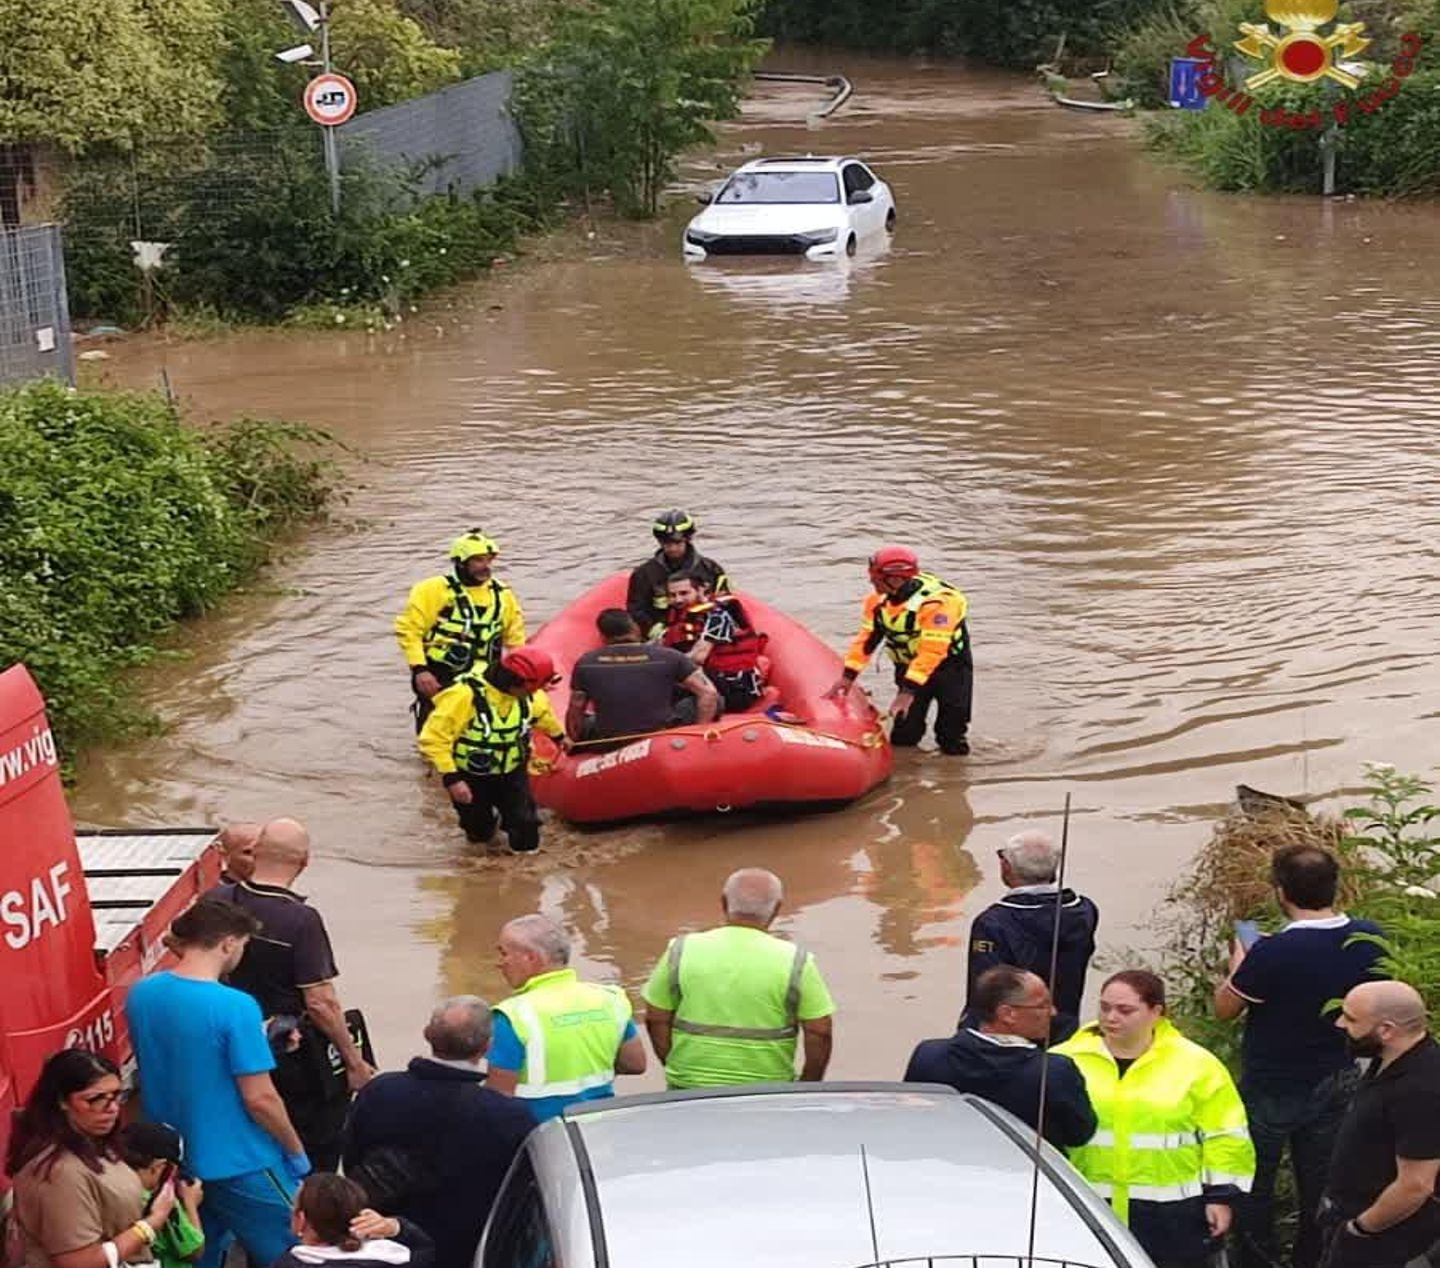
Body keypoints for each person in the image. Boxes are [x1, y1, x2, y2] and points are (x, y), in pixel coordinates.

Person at [1214, 845, 1386, 1268]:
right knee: (1323, 1180)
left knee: (1255, 1179)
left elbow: (1225, 1009)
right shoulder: (1367, 937)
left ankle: (1257, 1258)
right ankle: (1314, 1256)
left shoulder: (1272, 953)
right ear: (1336, 885)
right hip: (1338, 1073)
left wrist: (1241, 962)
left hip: (1272, 1081)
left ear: (1281, 891)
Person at [124, 898, 308, 1268]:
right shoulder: (235, 1006)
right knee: (305, 1250)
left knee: (197, 1255)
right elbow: (261, 1099)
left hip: (178, 1163)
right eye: (242, 945)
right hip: (242, 1159)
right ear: (227, 943)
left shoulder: (142, 994)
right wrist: (296, 1153)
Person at [1055, 970, 1255, 1268]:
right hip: (1086, 1207)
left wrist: (1221, 1197)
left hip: (1171, 1218)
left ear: (1156, 1012)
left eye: (1125, 1010)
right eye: (1105, 1007)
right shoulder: (1063, 1060)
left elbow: (1226, 1135)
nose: (1111, 1017)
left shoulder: (1196, 1065)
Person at [212, 818, 375, 1171]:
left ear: (255, 854)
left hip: (233, 1042)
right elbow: (321, 1002)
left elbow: (178, 944)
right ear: (304, 862)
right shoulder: (301, 920)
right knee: (319, 1142)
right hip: (295, 1055)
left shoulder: (219, 900)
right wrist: (354, 1062)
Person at [342, 997, 534, 1268]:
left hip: (382, 1239)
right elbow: (517, 1192)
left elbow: (352, 1159)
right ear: (487, 1047)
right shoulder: (509, 1116)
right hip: (466, 1247)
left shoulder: (379, 1091)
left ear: (427, 1034)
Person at [641, 869, 834, 1089]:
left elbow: (655, 1017)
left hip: (688, 1089)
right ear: (777, 909)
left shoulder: (681, 949)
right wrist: (807, 1085)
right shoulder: (797, 961)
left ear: (723, 903)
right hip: (768, 1090)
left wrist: (674, 1066)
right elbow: (820, 1031)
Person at [7, 1049, 183, 1268]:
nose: (111, 1109)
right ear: (62, 1101)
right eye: (95, 1099)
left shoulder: (95, 1141)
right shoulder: (60, 1174)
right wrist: (152, 1223)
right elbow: (80, 1262)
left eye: (116, 1096)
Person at [1318, 981, 1440, 1268]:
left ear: (1386, 1030)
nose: (1339, 1023)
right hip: (1350, 1215)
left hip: (1384, 1240)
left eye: (1350, 1018)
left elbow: (1415, 1184)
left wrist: (1359, 1229)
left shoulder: (1422, 1088)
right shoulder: (1386, 1060)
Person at [905, 966, 1096, 1149]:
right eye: (1043, 1005)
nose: (1053, 1012)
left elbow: (910, 1118)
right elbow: (1079, 1135)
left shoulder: (929, 1055)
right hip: (1023, 1177)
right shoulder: (1053, 1071)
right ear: (1008, 1014)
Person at [487, 914, 648, 1121]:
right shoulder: (610, 1000)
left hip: (539, 1137)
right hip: (599, 1129)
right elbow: (635, 1064)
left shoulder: (513, 1015)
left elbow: (498, 1099)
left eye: (504, 954)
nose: (499, 964)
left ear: (531, 957)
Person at [827, 545, 973, 755]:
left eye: (875, 578)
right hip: (908, 666)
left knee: (951, 733)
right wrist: (848, 676)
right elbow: (867, 640)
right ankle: (908, 773)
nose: (871, 582)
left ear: (894, 580)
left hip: (950, 668)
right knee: (905, 733)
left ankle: (954, 778)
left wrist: (906, 693)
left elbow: (933, 651)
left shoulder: (939, 604)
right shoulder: (877, 603)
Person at [417, 647, 567, 851]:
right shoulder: (464, 696)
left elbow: (542, 716)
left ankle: (526, 875)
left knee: (526, 826)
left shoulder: (532, 696)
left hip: (513, 771)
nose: (537, 691)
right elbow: (433, 738)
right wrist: (452, 779)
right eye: (533, 688)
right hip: (470, 775)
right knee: (479, 832)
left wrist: (559, 738)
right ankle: (486, 836)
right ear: (516, 684)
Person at [963, 830, 1099, 1041]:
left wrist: (966, 1040)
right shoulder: (1084, 910)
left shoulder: (993, 923)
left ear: (1006, 867)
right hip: (1065, 1030)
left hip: (1009, 1039)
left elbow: (984, 995)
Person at [395, 530, 526, 729]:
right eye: (478, 561)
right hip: (442, 674)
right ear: (461, 562)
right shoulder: (432, 590)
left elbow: (515, 636)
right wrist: (420, 670)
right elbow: (410, 631)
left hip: (486, 677)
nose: (486, 567)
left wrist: (523, 670)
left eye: (488, 560)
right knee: (436, 728)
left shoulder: (502, 594)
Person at [566, 609, 719, 744]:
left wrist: (574, 742)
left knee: (589, 720)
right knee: (714, 701)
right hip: (661, 735)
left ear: (602, 636)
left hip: (610, 737)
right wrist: (699, 730)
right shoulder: (669, 656)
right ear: (635, 629)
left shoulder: (586, 663)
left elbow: (576, 707)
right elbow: (709, 693)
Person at [272, 1174, 433, 1268]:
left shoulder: (291, 1264)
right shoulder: (393, 1256)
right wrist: (397, 1227)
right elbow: (425, 1248)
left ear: (301, 1220)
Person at [661, 572, 765, 713]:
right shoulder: (681, 615)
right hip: (711, 679)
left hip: (735, 688)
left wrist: (663, 666)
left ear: (701, 590)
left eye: (684, 593)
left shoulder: (718, 615)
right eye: (673, 595)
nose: (678, 599)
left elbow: (698, 657)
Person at [625, 510, 728, 637]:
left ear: (688, 539)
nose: (672, 548)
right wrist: (660, 633)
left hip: (704, 630)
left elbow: (725, 601)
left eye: (677, 543)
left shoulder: (711, 569)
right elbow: (636, 610)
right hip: (662, 633)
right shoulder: (644, 574)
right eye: (667, 543)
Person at [117, 1123, 206, 1268]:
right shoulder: (162, 1202)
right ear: (159, 1166)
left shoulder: (109, 1187)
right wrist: (191, 1204)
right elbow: (195, 1252)